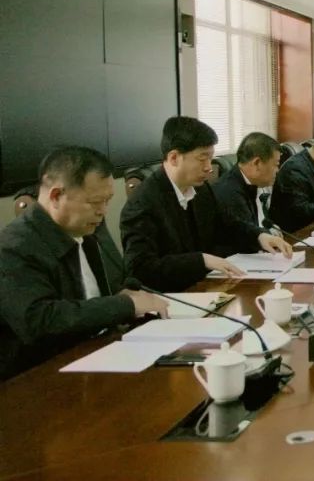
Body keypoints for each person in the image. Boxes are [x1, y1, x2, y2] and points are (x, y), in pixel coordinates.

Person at [0, 147, 169, 381]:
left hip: (98, 356)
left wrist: (127, 294)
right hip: (39, 378)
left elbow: (106, 291)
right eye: (95, 202)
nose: (103, 211)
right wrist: (123, 305)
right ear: (56, 196)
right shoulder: (14, 246)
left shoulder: (87, 229)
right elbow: (40, 320)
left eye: (107, 201)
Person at [122, 117, 292, 292]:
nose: (209, 167)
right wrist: (201, 260)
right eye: (202, 159)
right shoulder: (143, 202)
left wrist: (259, 237)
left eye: (210, 159)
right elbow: (141, 269)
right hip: (171, 297)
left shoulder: (201, 190)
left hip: (207, 288)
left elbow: (227, 225)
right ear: (174, 158)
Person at [212, 132, 280, 229]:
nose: (278, 170)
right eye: (276, 164)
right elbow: (246, 236)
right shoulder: (230, 194)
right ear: (257, 163)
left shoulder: (250, 182)